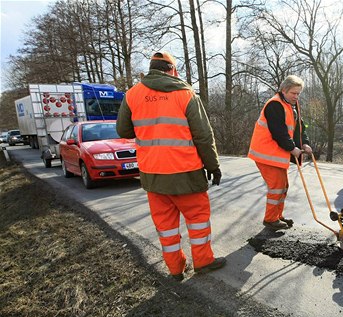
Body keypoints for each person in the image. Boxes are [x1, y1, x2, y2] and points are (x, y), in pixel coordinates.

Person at [116, 52, 225, 281]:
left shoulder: (132, 95)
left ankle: (176, 269)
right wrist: (213, 166)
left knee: (166, 227)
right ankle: (203, 261)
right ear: (172, 70)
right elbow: (203, 136)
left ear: (151, 69)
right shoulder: (185, 94)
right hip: (186, 173)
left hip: (153, 175)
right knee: (197, 221)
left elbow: (123, 131)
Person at [248, 75, 313, 231]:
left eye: (298, 93)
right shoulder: (274, 105)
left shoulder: (292, 105)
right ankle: (270, 220)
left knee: (283, 186)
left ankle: (277, 216)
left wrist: (305, 143)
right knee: (277, 187)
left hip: (277, 154)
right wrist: (293, 149)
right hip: (266, 153)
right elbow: (279, 133)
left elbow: (299, 128)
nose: (296, 96)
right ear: (284, 90)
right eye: (293, 93)